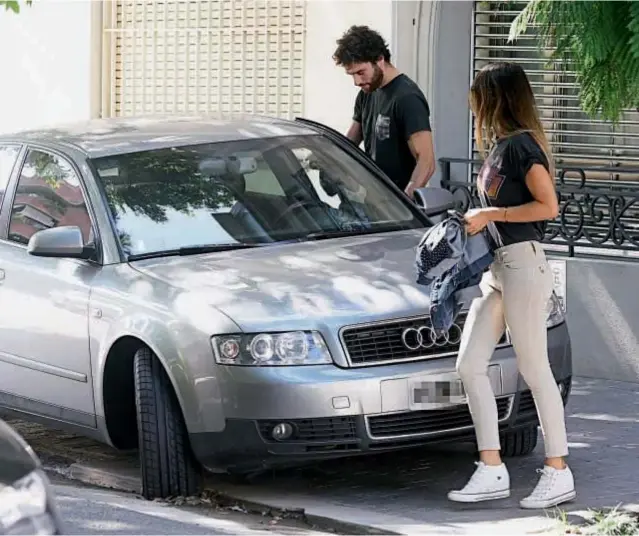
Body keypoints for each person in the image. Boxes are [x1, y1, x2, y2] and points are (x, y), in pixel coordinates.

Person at [447, 62, 576, 509]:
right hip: (497, 270)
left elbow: (548, 207)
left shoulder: (522, 148)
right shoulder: (500, 148)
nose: (474, 105)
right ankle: (490, 467)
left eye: (479, 96)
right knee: (469, 365)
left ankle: (558, 471)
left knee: (534, 368)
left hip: (524, 266)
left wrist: (492, 216)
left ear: (496, 99)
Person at [332, 25, 435, 199]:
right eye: (352, 75)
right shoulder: (366, 94)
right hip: (370, 204)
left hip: (395, 209)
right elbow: (349, 143)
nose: (357, 81)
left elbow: (427, 161)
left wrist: (405, 203)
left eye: (361, 72)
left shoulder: (407, 98)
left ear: (380, 60)